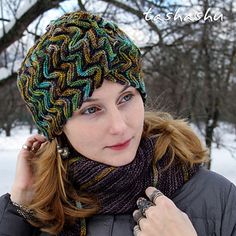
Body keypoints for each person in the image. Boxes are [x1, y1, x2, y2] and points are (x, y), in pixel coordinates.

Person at [0, 10, 235, 236]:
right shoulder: (36, 213)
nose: (120, 127)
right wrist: (19, 208)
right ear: (57, 127)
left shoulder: (218, 198)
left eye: (126, 97)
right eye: (91, 109)